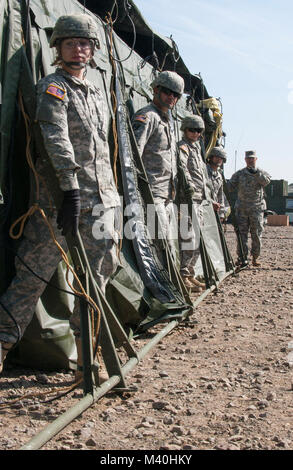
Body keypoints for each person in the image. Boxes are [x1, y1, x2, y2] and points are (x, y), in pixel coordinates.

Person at [0, 14, 121, 377]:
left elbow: (104, 147)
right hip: (58, 202)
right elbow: (55, 139)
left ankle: (87, 358)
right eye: (70, 43)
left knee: (96, 279)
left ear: (93, 49)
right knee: (32, 276)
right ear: (58, 49)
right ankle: (2, 345)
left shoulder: (98, 91)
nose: (78, 49)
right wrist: (69, 190)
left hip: (101, 203)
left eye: (84, 43)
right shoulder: (53, 88)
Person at [131, 70, 184, 264]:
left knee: (169, 242)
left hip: (167, 194)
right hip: (151, 193)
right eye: (167, 92)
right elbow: (133, 153)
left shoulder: (167, 121)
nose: (171, 97)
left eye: (175, 95)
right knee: (161, 243)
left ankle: (171, 284)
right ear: (155, 90)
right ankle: (166, 289)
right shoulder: (147, 116)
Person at [177, 115, 209, 293]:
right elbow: (183, 169)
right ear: (185, 129)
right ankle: (183, 276)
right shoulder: (182, 147)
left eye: (199, 131)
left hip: (199, 199)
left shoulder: (196, 149)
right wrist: (189, 187)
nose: (195, 133)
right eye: (192, 130)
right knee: (188, 237)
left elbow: (202, 176)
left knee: (197, 238)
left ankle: (190, 274)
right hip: (187, 200)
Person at [226, 150, 271, 266]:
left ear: (256, 159)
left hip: (256, 209)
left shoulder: (261, 173)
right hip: (242, 209)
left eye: (252, 158)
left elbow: (266, 182)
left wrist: (256, 173)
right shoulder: (239, 174)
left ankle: (255, 258)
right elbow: (229, 187)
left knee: (256, 234)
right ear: (245, 160)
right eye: (248, 158)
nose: (250, 160)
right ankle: (242, 258)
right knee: (241, 235)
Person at [206, 146, 230, 222]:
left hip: (215, 211)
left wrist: (221, 213)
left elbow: (220, 196)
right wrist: (211, 203)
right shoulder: (203, 171)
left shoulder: (219, 176)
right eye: (217, 157)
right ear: (211, 157)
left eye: (221, 158)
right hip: (203, 208)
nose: (219, 160)